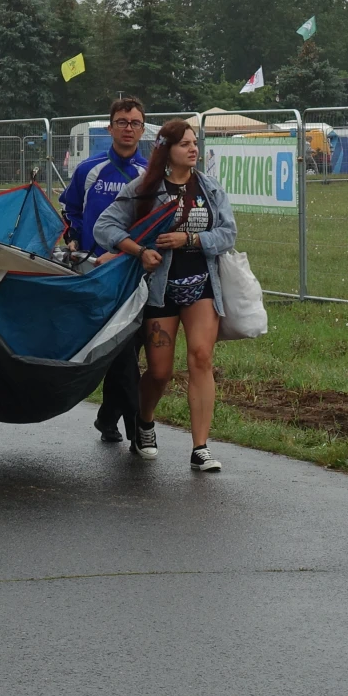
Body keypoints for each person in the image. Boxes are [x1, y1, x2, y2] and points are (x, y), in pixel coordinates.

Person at [94, 118, 237, 472]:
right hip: (159, 291)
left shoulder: (209, 188)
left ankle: (200, 447)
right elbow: (104, 226)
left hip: (202, 285)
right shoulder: (144, 188)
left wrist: (192, 239)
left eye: (195, 143)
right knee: (160, 372)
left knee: (201, 358)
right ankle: (144, 421)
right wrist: (139, 251)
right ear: (167, 150)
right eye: (184, 144)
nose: (193, 149)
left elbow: (228, 233)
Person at [59, 96, 148, 445]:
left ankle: (109, 416)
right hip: (95, 273)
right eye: (122, 122)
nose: (128, 128)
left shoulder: (150, 173)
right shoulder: (89, 169)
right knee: (118, 350)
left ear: (143, 129)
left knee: (126, 349)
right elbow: (70, 211)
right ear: (110, 128)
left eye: (135, 123)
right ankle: (137, 430)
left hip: (134, 272)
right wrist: (73, 240)